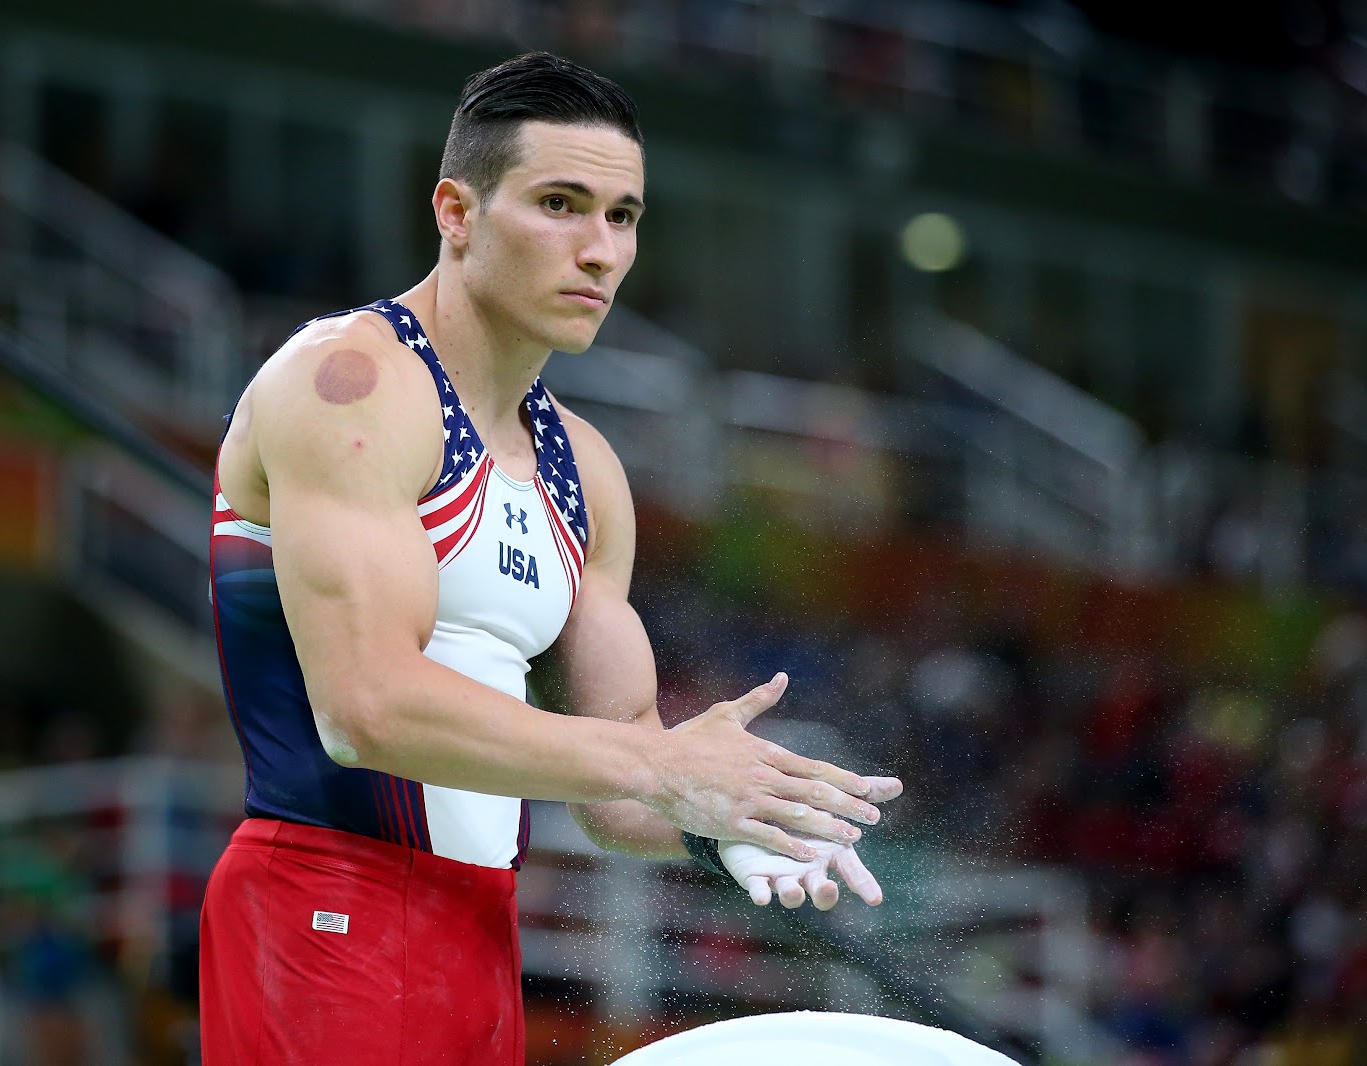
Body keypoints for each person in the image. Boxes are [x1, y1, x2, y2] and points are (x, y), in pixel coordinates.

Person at [200, 51, 902, 1065]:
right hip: (324, 903)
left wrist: (737, 816)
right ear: (456, 210)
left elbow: (614, 787)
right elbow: (366, 709)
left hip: (483, 932)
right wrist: (665, 764)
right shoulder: (348, 386)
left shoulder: (588, 472)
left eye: (622, 216)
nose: (600, 250)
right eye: (561, 203)